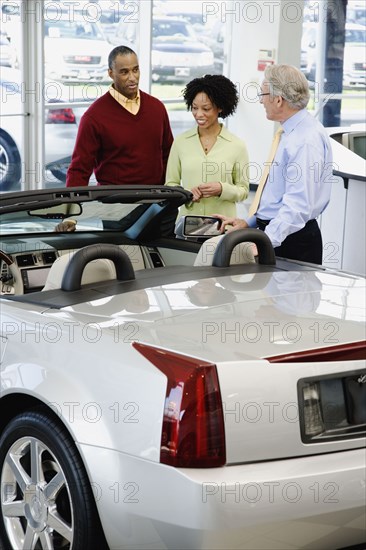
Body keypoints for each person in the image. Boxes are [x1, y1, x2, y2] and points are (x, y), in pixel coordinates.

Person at [216, 64, 333, 265]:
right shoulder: (290, 133)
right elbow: (276, 195)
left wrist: (266, 240)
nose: (261, 100)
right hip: (279, 231)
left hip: (291, 240)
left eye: (262, 94)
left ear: (278, 100)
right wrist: (250, 223)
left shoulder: (304, 140)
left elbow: (298, 205)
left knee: (286, 296)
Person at [66, 45, 173, 188]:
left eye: (135, 70)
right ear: (111, 73)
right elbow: (79, 170)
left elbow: (169, 155)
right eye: (124, 72)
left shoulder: (157, 108)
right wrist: (71, 208)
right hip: (113, 203)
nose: (132, 78)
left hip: (155, 200)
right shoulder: (94, 117)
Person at [165, 74, 249, 218]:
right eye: (194, 108)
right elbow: (170, 184)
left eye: (206, 108)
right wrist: (186, 194)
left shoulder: (237, 146)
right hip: (187, 224)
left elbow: (243, 191)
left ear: (220, 107)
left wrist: (222, 189)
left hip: (222, 227)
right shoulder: (181, 142)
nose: (199, 114)